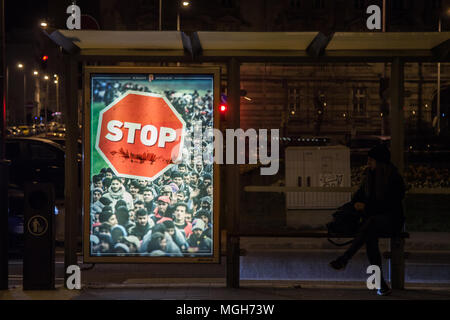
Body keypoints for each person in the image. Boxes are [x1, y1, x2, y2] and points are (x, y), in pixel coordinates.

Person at [329, 144, 405, 296]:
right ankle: (381, 285)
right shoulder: (369, 178)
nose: (368, 163)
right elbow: (358, 197)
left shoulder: (394, 179)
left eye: (371, 160)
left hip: (392, 221)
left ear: (380, 161)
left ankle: (345, 258)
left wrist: (366, 207)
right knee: (370, 235)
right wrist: (356, 204)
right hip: (373, 222)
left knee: (371, 225)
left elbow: (389, 205)